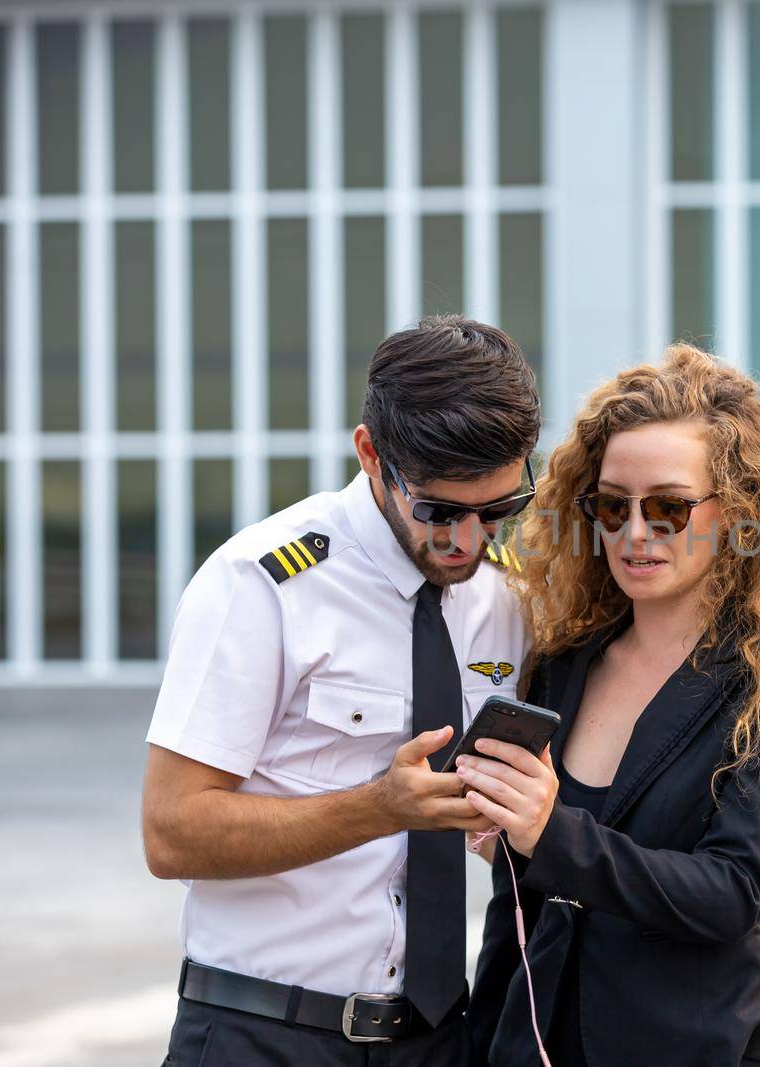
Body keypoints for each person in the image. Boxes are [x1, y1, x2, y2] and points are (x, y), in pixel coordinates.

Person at [141, 316, 539, 1065]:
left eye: (497, 511)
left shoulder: (502, 604)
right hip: (264, 1034)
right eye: (439, 511)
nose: (468, 540)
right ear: (370, 453)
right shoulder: (263, 584)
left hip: (437, 1038)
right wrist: (375, 809)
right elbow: (170, 831)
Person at [461, 344, 760, 1066]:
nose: (635, 532)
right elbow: (516, 905)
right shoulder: (563, 663)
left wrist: (551, 833)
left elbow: (727, 892)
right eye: (612, 505)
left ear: (734, 511)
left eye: (669, 507)